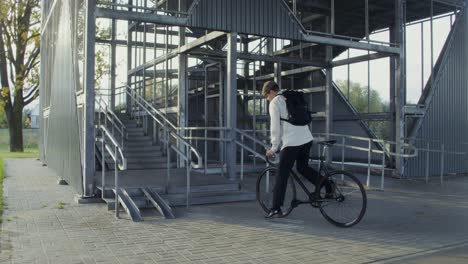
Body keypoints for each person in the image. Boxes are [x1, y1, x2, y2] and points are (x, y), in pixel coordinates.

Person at [262, 81, 331, 218]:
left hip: (292, 142)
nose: (266, 99)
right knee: (302, 167)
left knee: (282, 173)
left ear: (270, 91)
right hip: (306, 139)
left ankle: (276, 208)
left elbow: (275, 127)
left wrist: (274, 148)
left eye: (266, 95)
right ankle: (328, 185)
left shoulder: (275, 102)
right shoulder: (291, 96)